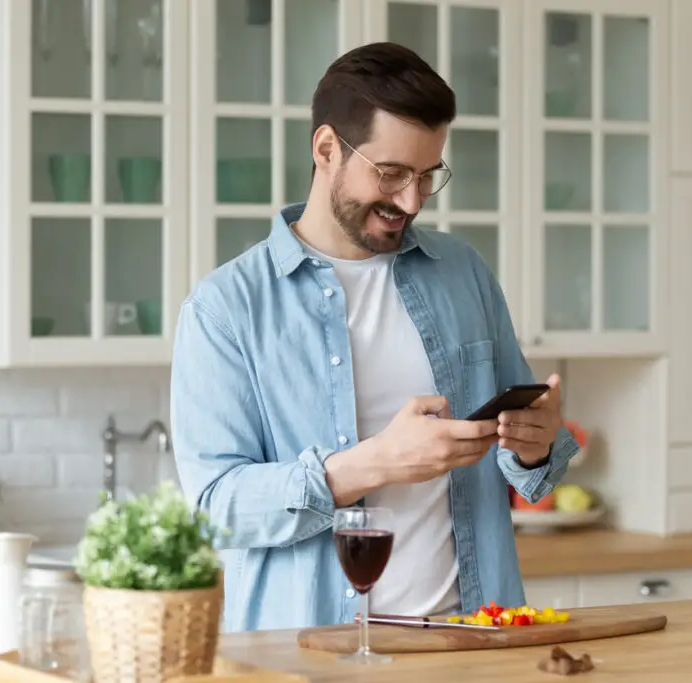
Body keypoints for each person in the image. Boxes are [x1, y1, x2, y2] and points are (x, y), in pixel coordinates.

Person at [170, 41, 580, 633]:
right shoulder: (226, 309)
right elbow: (214, 510)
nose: (410, 200)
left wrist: (535, 444)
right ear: (327, 149)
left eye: (427, 176)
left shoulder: (462, 272)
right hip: (312, 656)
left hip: (472, 641)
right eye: (390, 174)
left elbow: (528, 473)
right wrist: (371, 464)